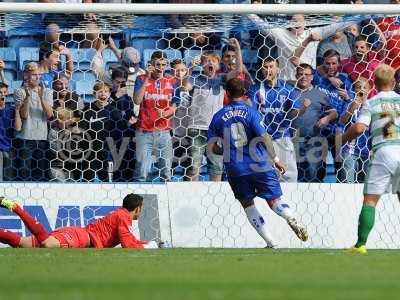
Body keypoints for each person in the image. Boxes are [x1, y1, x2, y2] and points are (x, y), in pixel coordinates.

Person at [208, 78, 308, 248]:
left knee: (248, 205)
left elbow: (212, 148)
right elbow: (265, 137)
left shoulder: (218, 117)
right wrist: (275, 159)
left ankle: (271, 242)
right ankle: (289, 216)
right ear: (245, 94)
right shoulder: (252, 113)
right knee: (274, 200)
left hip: (236, 169)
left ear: (227, 93)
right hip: (260, 164)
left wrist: (227, 149)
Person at [341, 64, 400, 254]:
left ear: (374, 82)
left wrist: (342, 139)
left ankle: (360, 245)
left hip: (383, 151)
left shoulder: (371, 102)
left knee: (370, 201)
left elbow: (359, 128)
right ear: (394, 82)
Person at [0, 193, 159, 249]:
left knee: (20, 243)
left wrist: (150, 243)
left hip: (78, 235)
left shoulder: (121, 214)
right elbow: (128, 245)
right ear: (138, 208)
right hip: (81, 238)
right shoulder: (124, 216)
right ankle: (15, 207)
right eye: (142, 208)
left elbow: (131, 241)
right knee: (48, 244)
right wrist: (150, 246)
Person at [248, 57, 305, 182]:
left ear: (278, 69)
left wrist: (302, 108)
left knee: (289, 177)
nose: (268, 70)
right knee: (265, 178)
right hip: (262, 140)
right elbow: (252, 113)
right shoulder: (255, 89)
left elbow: (294, 113)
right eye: (265, 67)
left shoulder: (287, 89)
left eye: (271, 67)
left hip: (282, 137)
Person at [133, 51, 179, 182]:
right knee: (142, 171)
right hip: (144, 131)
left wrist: (165, 113)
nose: (160, 68)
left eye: (163, 64)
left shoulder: (172, 81)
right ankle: (138, 201)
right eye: (157, 64)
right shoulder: (141, 79)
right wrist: (147, 77)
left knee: (166, 172)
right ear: (150, 65)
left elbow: (174, 106)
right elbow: (137, 100)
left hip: (164, 132)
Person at [293, 64, 338, 183]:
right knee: (295, 177)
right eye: (300, 74)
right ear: (295, 75)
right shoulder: (288, 92)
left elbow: (334, 113)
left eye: (307, 74)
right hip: (293, 143)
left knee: (313, 175)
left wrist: (327, 118)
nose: (303, 77)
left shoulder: (320, 94)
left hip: (314, 142)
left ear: (312, 77)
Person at [14, 62, 53, 182]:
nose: (37, 77)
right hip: (25, 137)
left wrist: (41, 97)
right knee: (23, 171)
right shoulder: (19, 91)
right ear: (26, 75)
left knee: (40, 171)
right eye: (34, 74)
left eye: (39, 74)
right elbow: (23, 116)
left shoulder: (47, 92)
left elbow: (50, 115)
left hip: (42, 137)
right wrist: (27, 97)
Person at [338, 77, 371, 183]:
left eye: (364, 87)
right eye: (358, 87)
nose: (361, 90)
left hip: (368, 152)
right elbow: (342, 121)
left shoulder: (373, 106)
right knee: (348, 184)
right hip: (349, 151)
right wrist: (352, 108)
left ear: (369, 90)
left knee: (366, 187)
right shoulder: (348, 103)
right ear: (354, 89)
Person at [0, 83, 14, 181]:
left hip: (8, 147)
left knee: (8, 178)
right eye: (0, 93)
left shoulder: (11, 109)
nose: (2, 95)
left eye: (4, 92)